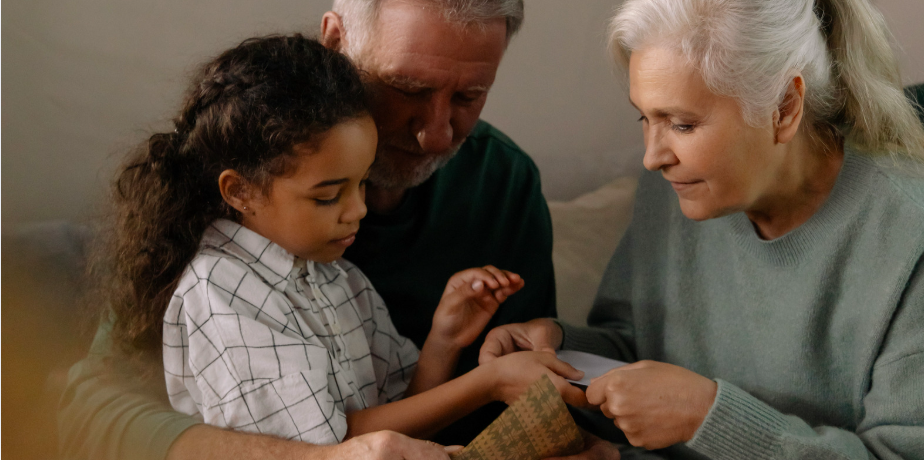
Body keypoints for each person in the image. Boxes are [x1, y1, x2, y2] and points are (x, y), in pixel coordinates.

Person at [59, 1, 623, 459]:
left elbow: (513, 393)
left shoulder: (498, 187)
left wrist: (554, 417)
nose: (434, 133)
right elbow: (98, 412)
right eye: (407, 87)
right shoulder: (221, 188)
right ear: (335, 42)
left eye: (469, 97)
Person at [480, 0, 924, 459]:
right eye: (645, 118)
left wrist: (706, 415)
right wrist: (560, 349)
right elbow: (641, 347)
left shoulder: (910, 238)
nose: (653, 157)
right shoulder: (673, 191)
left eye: (683, 124)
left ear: (785, 107)